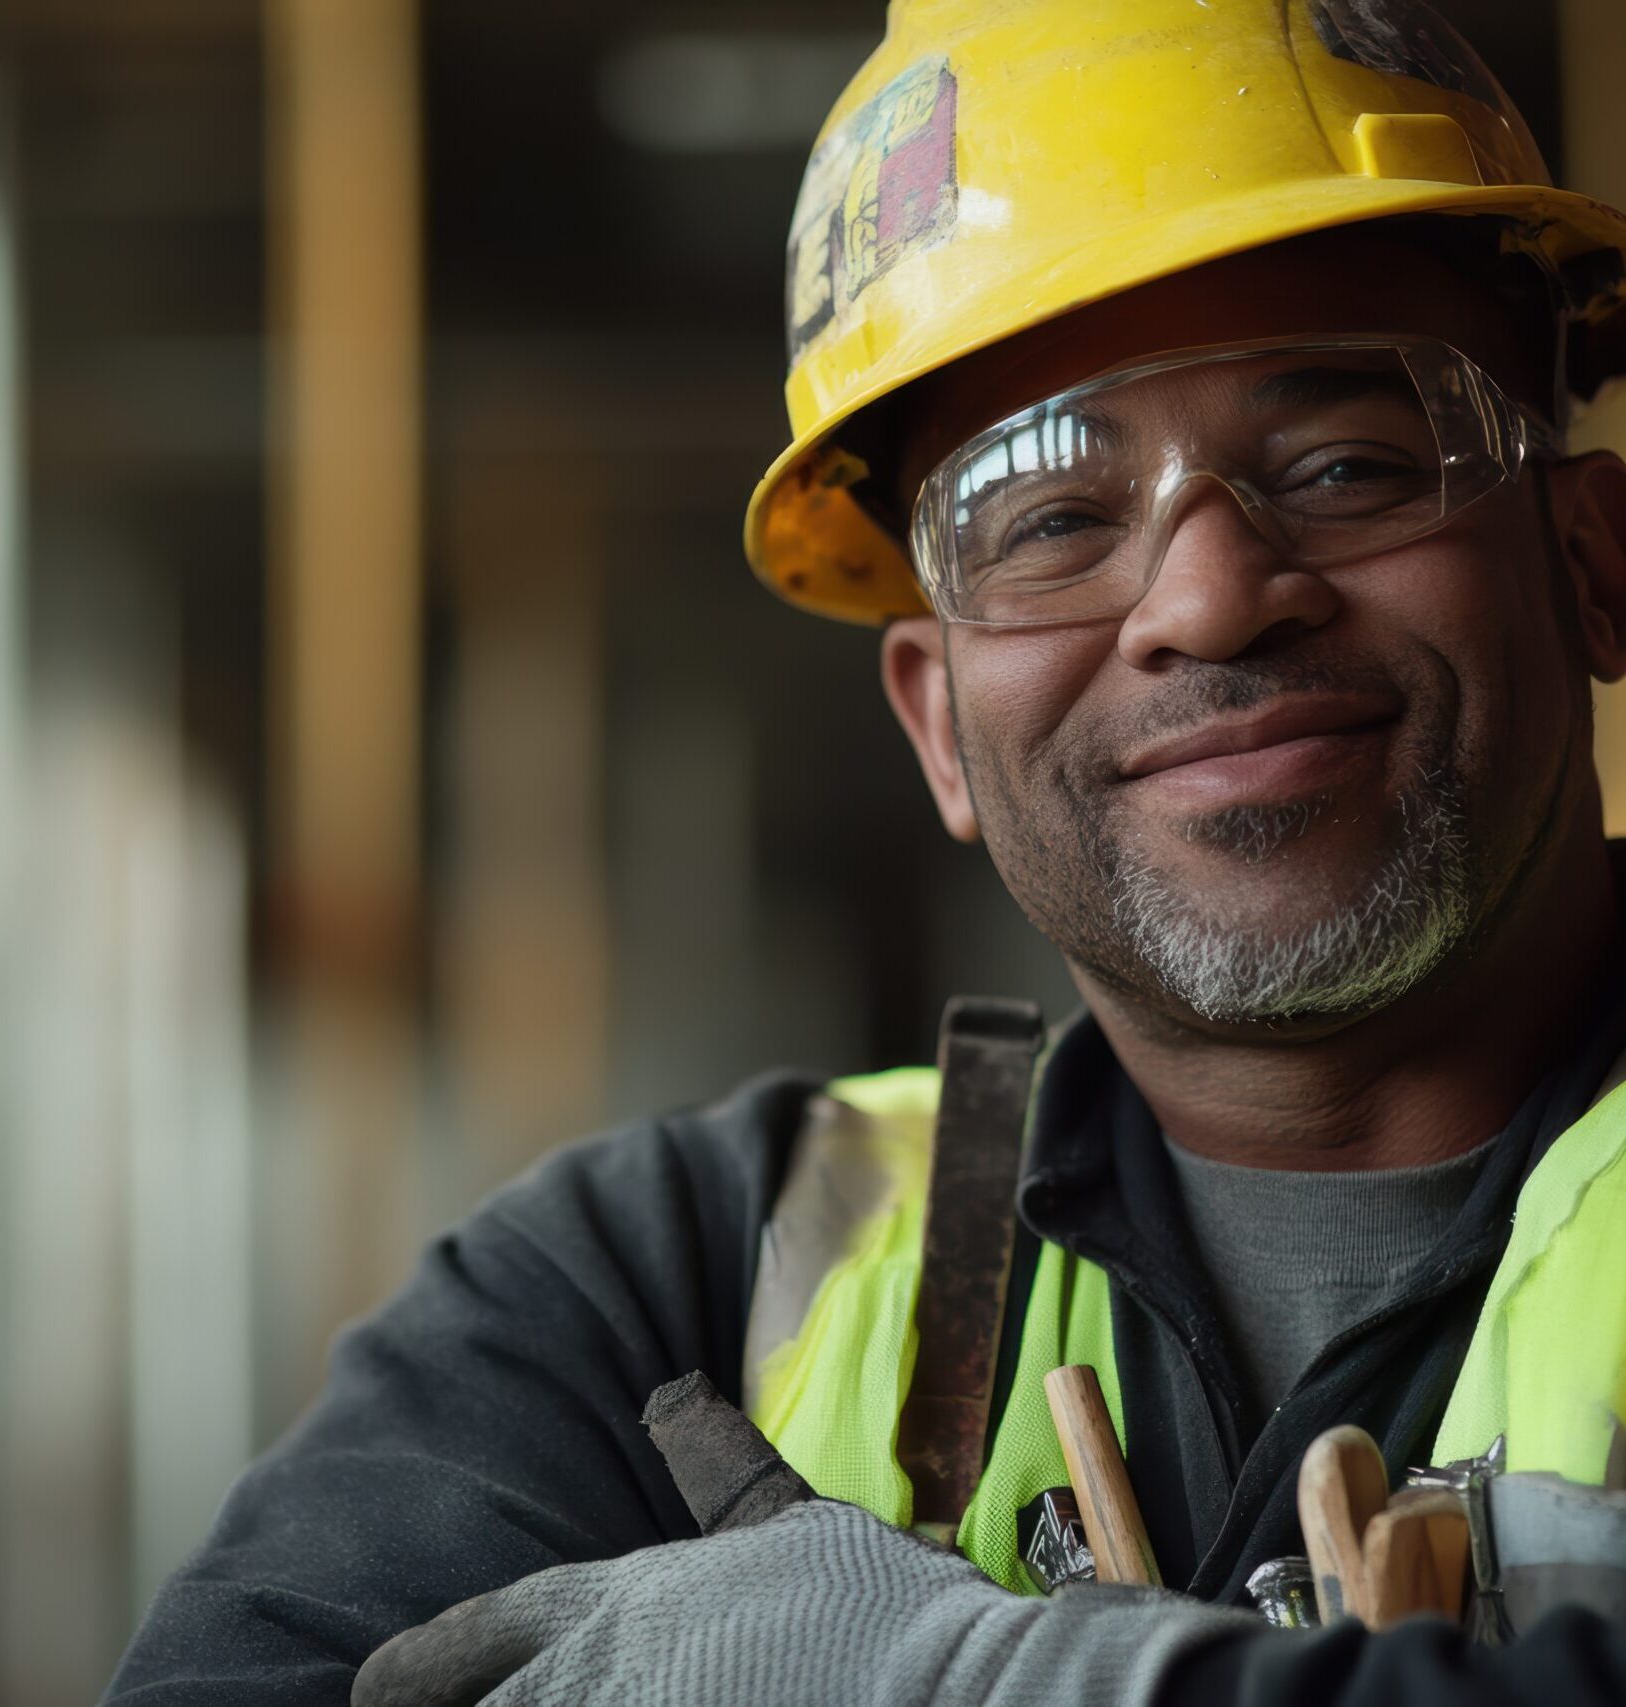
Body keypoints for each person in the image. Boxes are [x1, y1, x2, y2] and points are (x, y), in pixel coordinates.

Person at [103, 2, 1626, 1702]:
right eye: (1048, 517)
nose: (1206, 598)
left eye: (1347, 461)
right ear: (935, 726)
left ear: (1593, 565)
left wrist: (954, 1680)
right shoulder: (679, 1276)